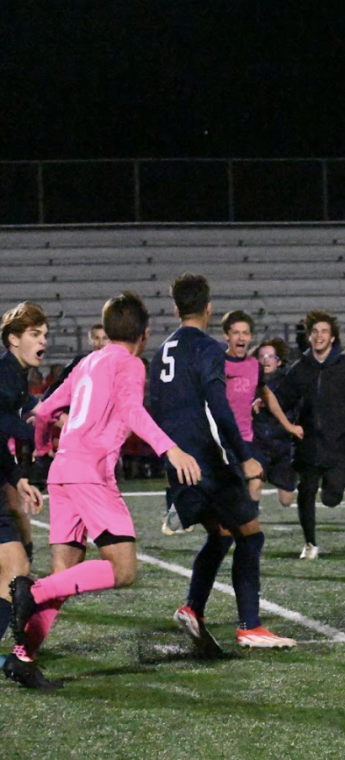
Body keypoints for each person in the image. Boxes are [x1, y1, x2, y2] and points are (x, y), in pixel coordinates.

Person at [5, 292, 203, 689]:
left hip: (63, 472)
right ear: (144, 335)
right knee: (124, 570)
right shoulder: (129, 364)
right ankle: (31, 589)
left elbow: (44, 411)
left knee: (66, 574)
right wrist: (171, 447)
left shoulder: (87, 362)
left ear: (108, 328)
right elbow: (131, 409)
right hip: (91, 475)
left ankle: (22, 657)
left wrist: (44, 449)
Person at [149, 273, 295, 650]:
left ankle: (193, 608)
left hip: (177, 463)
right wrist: (244, 456)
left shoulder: (161, 352)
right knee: (251, 534)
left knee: (222, 533)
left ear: (176, 308)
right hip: (207, 462)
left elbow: (155, 409)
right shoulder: (208, 349)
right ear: (209, 309)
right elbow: (220, 409)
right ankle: (250, 625)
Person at [273, 310, 345, 559]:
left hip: (340, 445)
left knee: (332, 497)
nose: (319, 336)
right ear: (309, 337)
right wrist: (264, 404)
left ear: (333, 338)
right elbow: (283, 399)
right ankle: (310, 543)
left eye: (324, 332)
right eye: (315, 332)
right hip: (308, 443)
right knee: (306, 490)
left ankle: (332, 492)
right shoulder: (301, 368)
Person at [0, 302, 47, 666]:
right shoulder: (6, 374)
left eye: (44, 334)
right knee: (16, 568)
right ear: (14, 339)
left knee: (14, 568)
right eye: (35, 334)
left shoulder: (15, 376)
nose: (42, 340)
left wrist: (18, 478)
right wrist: (39, 429)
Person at [219, 311, 301, 506]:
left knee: (255, 483)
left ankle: (249, 529)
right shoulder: (217, 363)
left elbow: (267, 395)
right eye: (236, 333)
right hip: (222, 439)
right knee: (223, 490)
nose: (241, 337)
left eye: (245, 333)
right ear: (226, 336)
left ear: (250, 337)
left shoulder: (254, 366)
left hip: (247, 440)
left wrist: (288, 426)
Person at [251, 338, 300, 507]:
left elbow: (293, 401)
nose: (266, 359)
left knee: (286, 500)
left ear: (278, 361)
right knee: (255, 484)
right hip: (258, 442)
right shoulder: (249, 380)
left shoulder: (289, 381)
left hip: (282, 444)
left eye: (270, 356)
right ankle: (251, 520)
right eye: (262, 355)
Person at [42, 323, 107, 400]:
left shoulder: (117, 363)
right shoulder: (80, 361)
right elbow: (59, 384)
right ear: (90, 340)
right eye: (97, 338)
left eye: (105, 338)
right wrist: (45, 402)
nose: (101, 342)